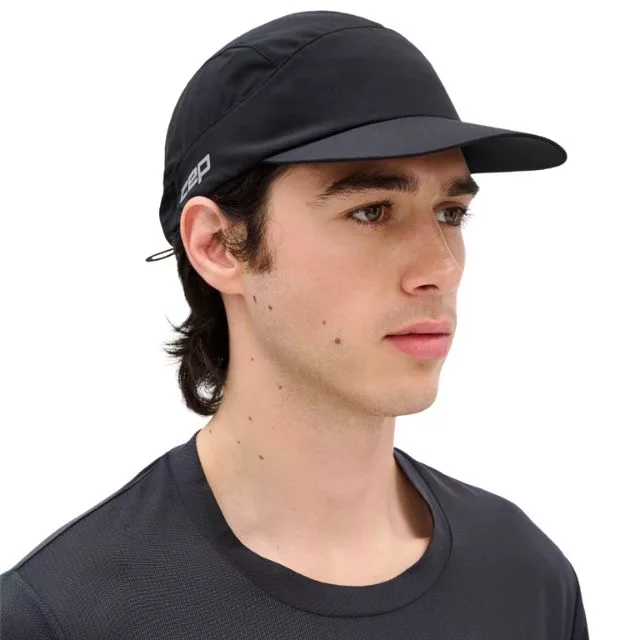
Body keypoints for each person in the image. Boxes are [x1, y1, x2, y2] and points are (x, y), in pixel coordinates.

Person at [1, 10, 589, 639]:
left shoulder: (525, 578)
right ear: (219, 245)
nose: (441, 270)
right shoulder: (62, 617)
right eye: (371, 211)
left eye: (450, 213)